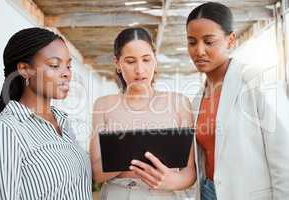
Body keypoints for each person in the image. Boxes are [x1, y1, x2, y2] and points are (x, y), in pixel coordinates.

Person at [186, 2, 289, 200]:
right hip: (208, 192)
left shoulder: (259, 81)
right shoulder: (197, 98)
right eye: (192, 42)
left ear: (231, 40)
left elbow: (284, 157)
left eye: (209, 41)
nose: (199, 51)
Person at [90, 27, 196, 200]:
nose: (140, 70)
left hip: (164, 194)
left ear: (155, 60)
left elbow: (190, 171)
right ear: (117, 63)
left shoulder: (179, 103)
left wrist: (171, 181)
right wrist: (135, 150)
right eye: (130, 61)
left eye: (146, 60)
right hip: (118, 195)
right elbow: (96, 172)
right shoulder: (103, 105)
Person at [0, 27, 92, 200]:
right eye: (54, 65)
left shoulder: (63, 123)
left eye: (68, 66)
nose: (67, 73)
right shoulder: (6, 128)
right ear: (24, 69)